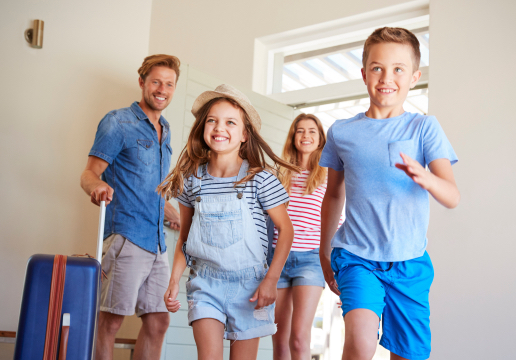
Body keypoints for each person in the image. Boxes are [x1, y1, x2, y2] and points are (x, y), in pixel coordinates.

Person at [319, 27, 460, 360]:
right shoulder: (342, 132)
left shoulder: (424, 128)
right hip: (356, 256)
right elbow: (333, 195)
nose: (387, 77)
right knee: (360, 344)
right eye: (377, 67)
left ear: (414, 77)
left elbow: (452, 195)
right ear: (364, 73)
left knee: (409, 355)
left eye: (398, 69)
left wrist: (425, 178)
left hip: (409, 262)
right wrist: (325, 253)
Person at [159, 84, 298, 360]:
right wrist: (174, 279)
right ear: (203, 128)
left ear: (244, 134)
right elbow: (185, 239)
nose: (219, 127)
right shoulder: (192, 181)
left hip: (252, 287)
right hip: (205, 284)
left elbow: (286, 231)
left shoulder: (259, 179)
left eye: (230, 122)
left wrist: (271, 280)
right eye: (212, 120)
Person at [80, 54, 181, 360]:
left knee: (159, 320)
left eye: (169, 84)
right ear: (142, 83)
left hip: (158, 243)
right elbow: (89, 173)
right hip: (126, 237)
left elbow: (148, 185)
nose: (162, 89)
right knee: (110, 320)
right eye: (156, 82)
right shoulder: (118, 122)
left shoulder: (165, 129)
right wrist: (96, 186)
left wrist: (167, 209)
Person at [268, 113, 343, 360]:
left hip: (311, 260)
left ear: (320, 138)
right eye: (300, 130)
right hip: (278, 258)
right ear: (293, 137)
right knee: (278, 338)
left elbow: (338, 224)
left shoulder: (328, 176)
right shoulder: (279, 175)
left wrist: (341, 271)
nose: (306, 136)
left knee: (299, 338)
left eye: (312, 131)